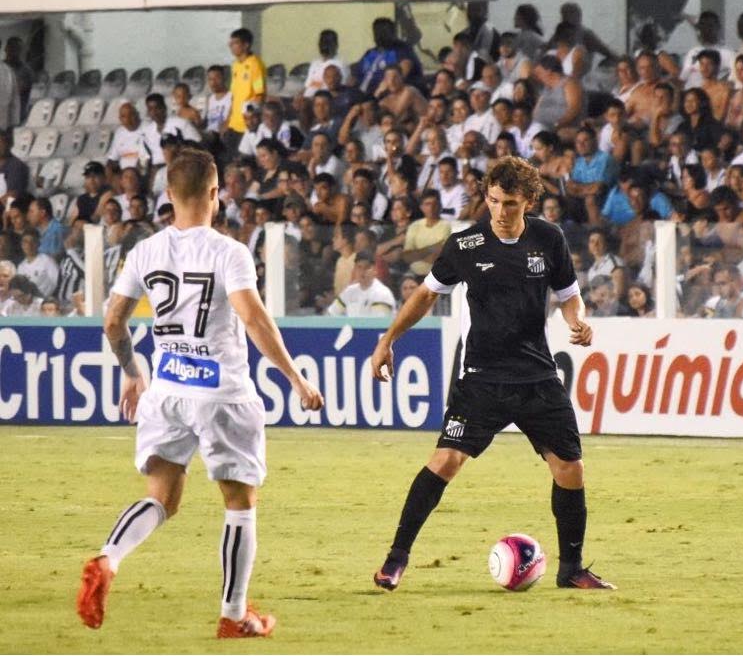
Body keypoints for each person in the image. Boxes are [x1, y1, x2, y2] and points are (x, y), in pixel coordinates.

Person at [75, 147, 324, 638]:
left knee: (162, 498)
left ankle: (109, 557)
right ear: (216, 193)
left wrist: (132, 370)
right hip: (221, 392)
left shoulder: (145, 250)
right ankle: (234, 616)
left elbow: (113, 321)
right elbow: (252, 317)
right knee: (239, 502)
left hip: (166, 389)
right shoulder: (227, 252)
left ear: (169, 196)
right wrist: (295, 378)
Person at [369, 156, 613, 592]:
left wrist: (578, 321)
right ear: (486, 197)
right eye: (495, 202)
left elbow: (569, 296)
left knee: (571, 469)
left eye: (511, 204)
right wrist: (388, 340)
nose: (501, 212)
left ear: (529, 202)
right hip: (482, 377)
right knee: (445, 460)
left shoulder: (549, 238)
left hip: (537, 376)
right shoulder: (465, 245)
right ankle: (395, 560)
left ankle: (571, 568)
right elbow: (426, 296)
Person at [226, 29, 267, 154]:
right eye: (231, 43)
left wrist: (251, 121)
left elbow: (259, 94)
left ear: (246, 44)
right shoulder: (235, 65)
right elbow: (234, 96)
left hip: (246, 125)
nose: (231, 46)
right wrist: (228, 120)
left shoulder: (255, 64)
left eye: (235, 43)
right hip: (234, 124)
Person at [325, 251, 396, 316]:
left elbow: (378, 325)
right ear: (355, 269)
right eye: (359, 267)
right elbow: (330, 315)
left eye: (367, 267)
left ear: (375, 270)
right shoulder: (349, 291)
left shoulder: (382, 293)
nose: (362, 271)